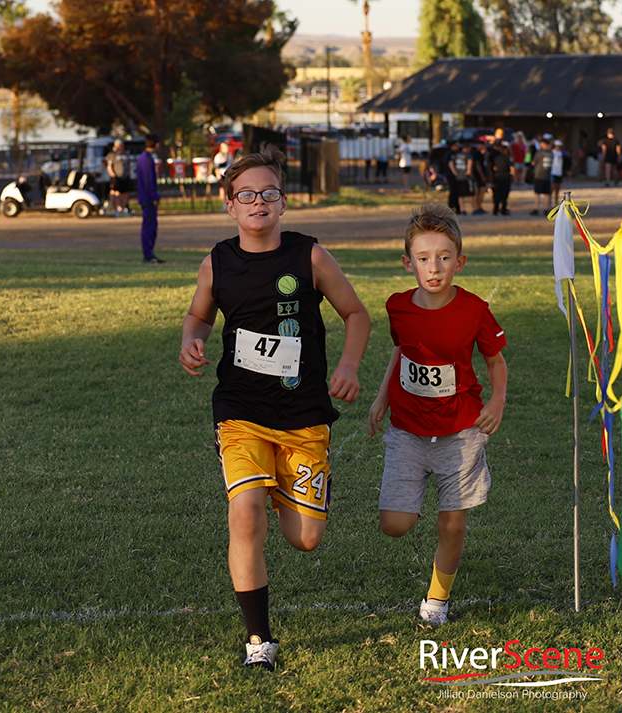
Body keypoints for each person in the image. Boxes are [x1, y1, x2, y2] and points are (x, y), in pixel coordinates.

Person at [179, 145, 370, 670]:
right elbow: (198, 318)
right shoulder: (216, 263)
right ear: (230, 206)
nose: (258, 201)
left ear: (283, 203)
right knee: (244, 515)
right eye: (246, 194)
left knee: (304, 539)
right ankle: (258, 642)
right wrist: (190, 339)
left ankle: (296, 484)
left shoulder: (309, 256)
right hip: (240, 410)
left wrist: (348, 367)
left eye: (269, 193)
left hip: (304, 415)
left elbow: (356, 314)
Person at [367, 203, 507, 626]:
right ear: (408, 263)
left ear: (459, 262)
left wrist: (496, 401)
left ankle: (437, 600)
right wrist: (381, 398)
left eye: (444, 258)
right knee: (394, 524)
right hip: (408, 430)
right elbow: (401, 350)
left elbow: (496, 361)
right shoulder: (397, 307)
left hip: (460, 431)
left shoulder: (474, 310)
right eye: (424, 258)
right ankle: (415, 496)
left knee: (453, 525)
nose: (434, 267)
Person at [136, 133, 163, 264]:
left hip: (145, 197)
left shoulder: (142, 158)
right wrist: (154, 196)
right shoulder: (147, 159)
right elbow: (149, 180)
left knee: (150, 226)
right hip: (148, 199)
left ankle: (149, 253)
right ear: (156, 144)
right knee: (149, 227)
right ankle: (148, 254)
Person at [106, 139, 133, 216]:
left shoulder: (125, 154)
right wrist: (113, 176)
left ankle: (122, 209)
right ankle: (115, 209)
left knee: (125, 194)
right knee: (115, 193)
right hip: (116, 177)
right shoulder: (112, 155)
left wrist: (128, 173)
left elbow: (129, 165)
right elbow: (109, 166)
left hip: (125, 177)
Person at [529, 136, 553, 216]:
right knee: (547, 193)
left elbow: (533, 162)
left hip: (539, 175)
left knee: (537, 193)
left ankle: (536, 208)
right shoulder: (551, 153)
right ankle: (546, 208)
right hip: (547, 175)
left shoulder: (539, 153)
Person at [489, 140, 513, 215]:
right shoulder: (506, 158)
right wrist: (514, 177)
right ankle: (503, 209)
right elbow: (512, 167)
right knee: (504, 194)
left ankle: (495, 209)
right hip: (505, 177)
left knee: (497, 193)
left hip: (497, 177)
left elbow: (492, 167)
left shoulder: (496, 157)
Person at [213, 140, 234, 211]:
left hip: (228, 174)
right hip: (221, 175)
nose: (227, 149)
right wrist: (218, 177)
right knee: (223, 189)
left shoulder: (229, 156)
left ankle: (230, 203)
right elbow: (217, 168)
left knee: (229, 189)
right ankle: (224, 204)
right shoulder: (218, 157)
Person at [469, 142, 489, 215]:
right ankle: (476, 207)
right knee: (478, 191)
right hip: (478, 175)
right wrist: (482, 175)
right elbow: (477, 165)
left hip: (481, 174)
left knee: (482, 190)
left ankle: (479, 206)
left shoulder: (483, 154)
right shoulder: (477, 154)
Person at [550, 139, 565, 206]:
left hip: (559, 172)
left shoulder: (560, 153)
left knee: (558, 188)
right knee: (552, 187)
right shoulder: (552, 153)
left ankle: (556, 201)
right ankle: (549, 201)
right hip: (553, 172)